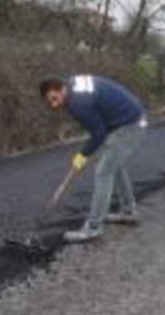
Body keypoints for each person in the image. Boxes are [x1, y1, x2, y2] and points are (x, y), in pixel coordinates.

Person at [40, 75, 147, 243]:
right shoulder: (72, 84)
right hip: (127, 118)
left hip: (130, 125)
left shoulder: (77, 104)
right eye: (50, 102)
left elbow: (98, 133)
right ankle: (129, 212)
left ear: (62, 89)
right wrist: (83, 154)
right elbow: (97, 118)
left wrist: (83, 155)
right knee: (114, 166)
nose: (55, 104)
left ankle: (93, 227)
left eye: (55, 98)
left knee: (103, 172)